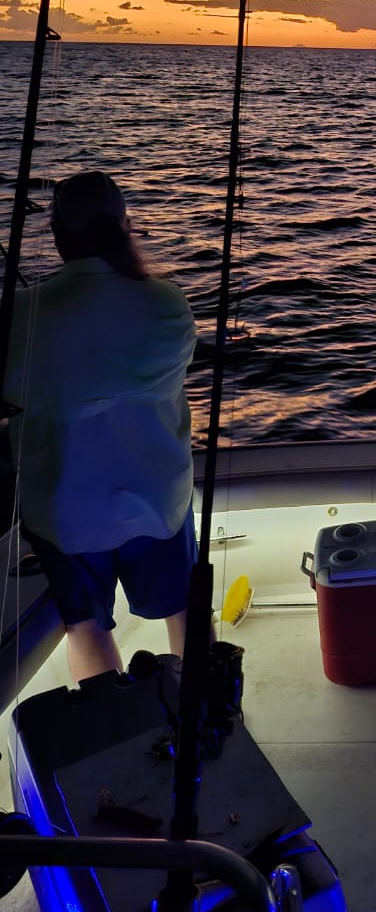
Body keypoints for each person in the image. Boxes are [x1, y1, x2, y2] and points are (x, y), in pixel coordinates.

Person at [3, 171, 197, 682]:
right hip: (159, 502)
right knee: (186, 609)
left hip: (66, 514)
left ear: (58, 235)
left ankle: (118, 736)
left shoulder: (20, 314)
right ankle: (205, 711)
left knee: (85, 626)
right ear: (123, 226)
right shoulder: (167, 304)